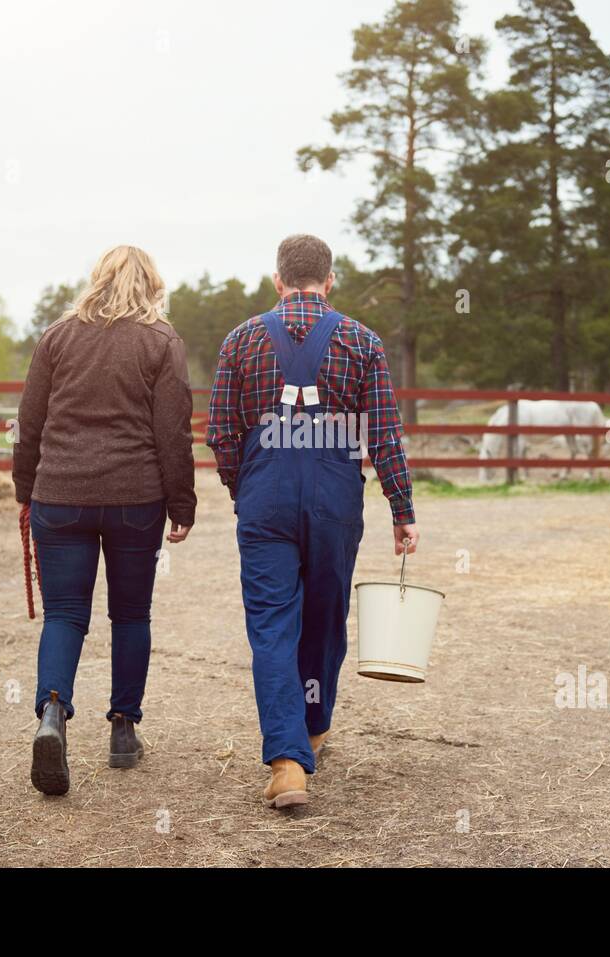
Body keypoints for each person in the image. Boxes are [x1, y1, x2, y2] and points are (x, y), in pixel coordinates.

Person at [207, 233, 418, 808]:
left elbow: (221, 433)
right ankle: (314, 727)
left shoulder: (241, 340)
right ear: (329, 281)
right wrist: (403, 510)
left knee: (272, 626)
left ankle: (286, 762)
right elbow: (384, 438)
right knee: (325, 616)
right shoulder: (363, 342)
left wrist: (243, 487)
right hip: (334, 500)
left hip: (264, 498)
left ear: (277, 281)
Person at [13, 245, 195, 796]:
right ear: (153, 285)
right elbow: (173, 431)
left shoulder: (57, 337)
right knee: (131, 614)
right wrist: (181, 504)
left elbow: (29, 421)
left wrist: (26, 490)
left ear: (97, 280)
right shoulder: (162, 341)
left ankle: (51, 713)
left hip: (60, 495)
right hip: (134, 499)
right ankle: (122, 729)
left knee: (65, 614)